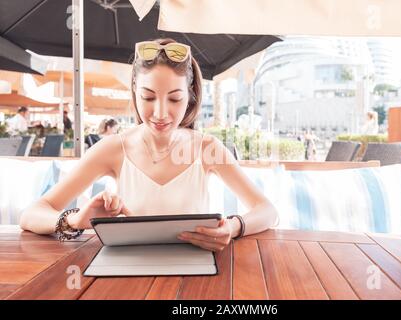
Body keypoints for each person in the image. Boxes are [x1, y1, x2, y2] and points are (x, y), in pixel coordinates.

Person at [20, 38, 279, 252]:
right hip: (128, 273)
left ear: (190, 96)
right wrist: (76, 219)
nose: (160, 113)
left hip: (195, 274)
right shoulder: (111, 149)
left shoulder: (207, 148)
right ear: (134, 91)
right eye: (148, 97)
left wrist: (233, 227)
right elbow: (31, 214)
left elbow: (268, 211)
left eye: (175, 99)